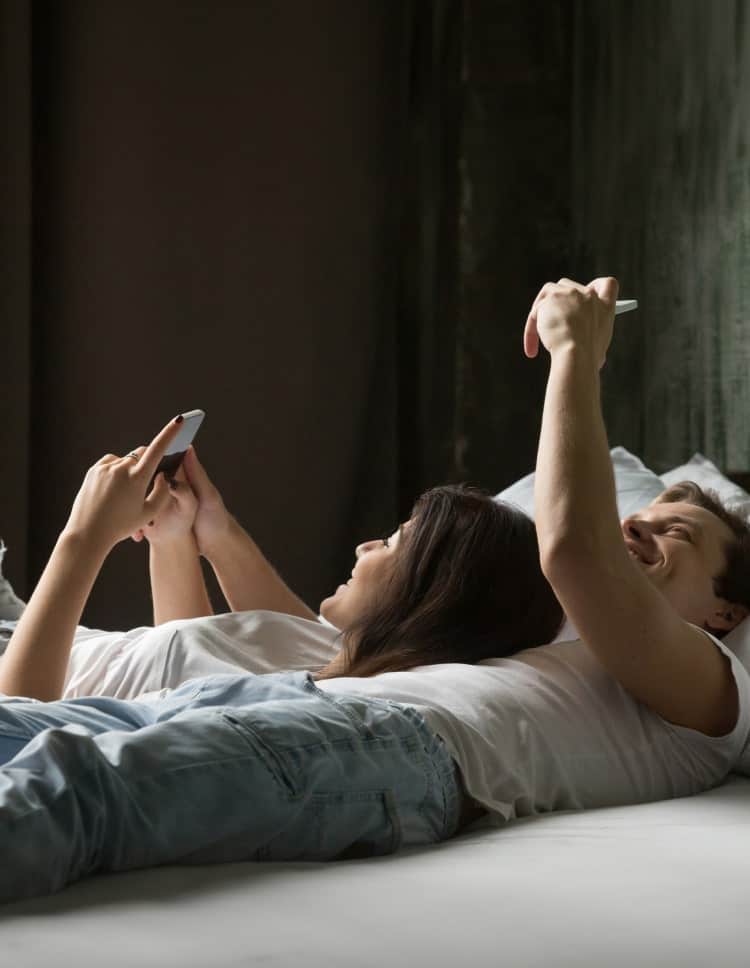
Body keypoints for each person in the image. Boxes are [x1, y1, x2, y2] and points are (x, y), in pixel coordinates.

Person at [2, 276, 750, 906]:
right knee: (23, 733)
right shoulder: (554, 636)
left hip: (397, 747)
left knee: (77, 786)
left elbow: (575, 549)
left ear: (727, 610)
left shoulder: (711, 691)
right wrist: (209, 535)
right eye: (637, 515)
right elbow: (336, 636)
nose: (637, 530)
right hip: (312, 699)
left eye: (677, 534)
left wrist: (575, 354)